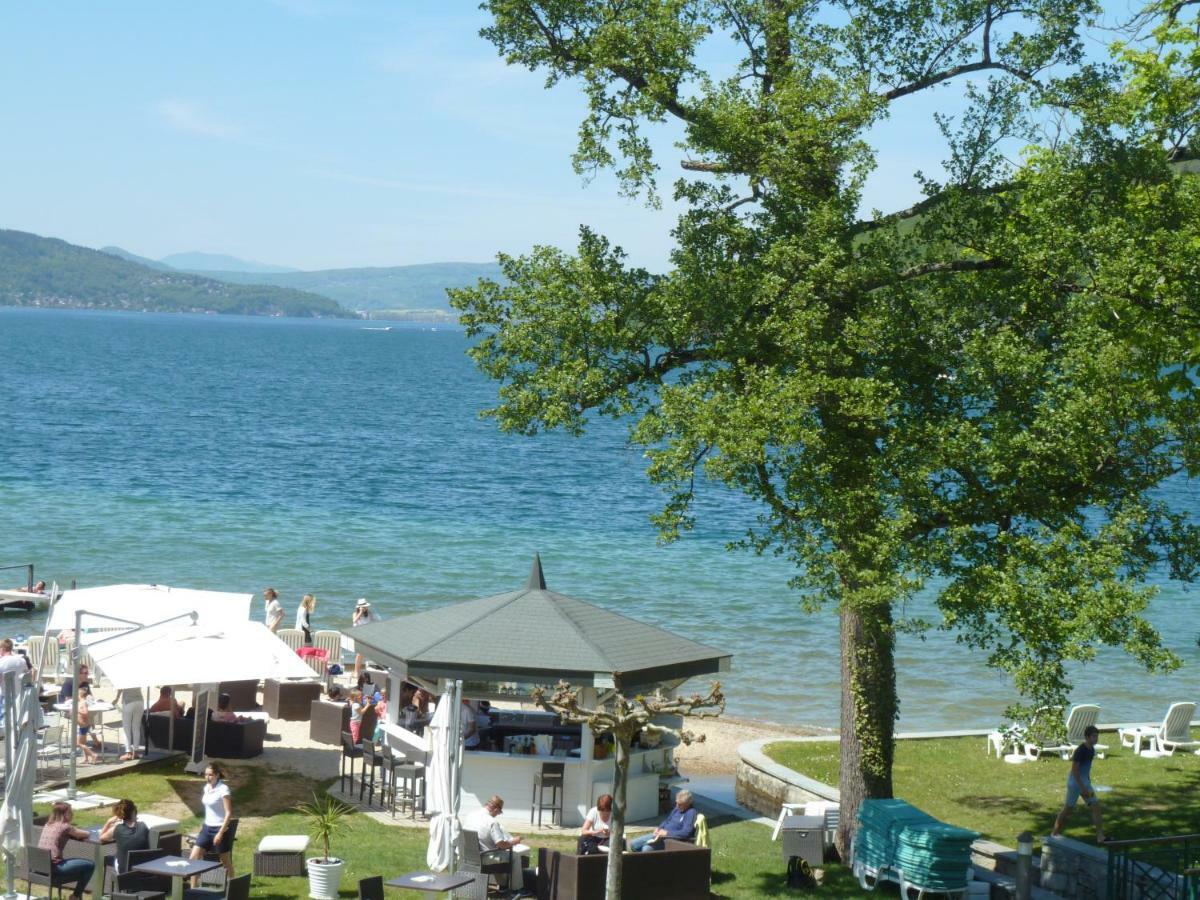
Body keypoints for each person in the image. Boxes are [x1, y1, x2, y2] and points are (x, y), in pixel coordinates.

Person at [1052, 725, 1106, 843]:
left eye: (1097, 736)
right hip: (1075, 785)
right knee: (1068, 809)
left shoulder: (1091, 750)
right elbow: (1075, 771)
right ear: (1087, 737)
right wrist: (1083, 788)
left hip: (1085, 784)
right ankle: (1054, 833)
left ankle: (1100, 836)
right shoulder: (1080, 751)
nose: (1096, 739)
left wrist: (1088, 783)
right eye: (1094, 736)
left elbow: (1086, 769)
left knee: (1096, 807)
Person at [37, 801, 95, 900]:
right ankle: (75, 896)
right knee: (90, 865)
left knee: (83, 870)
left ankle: (76, 895)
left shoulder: (48, 824)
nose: (72, 814)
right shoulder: (65, 826)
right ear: (64, 814)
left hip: (41, 866)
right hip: (55, 866)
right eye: (70, 812)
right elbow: (85, 834)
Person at [472, 796, 528, 893]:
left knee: (499, 853)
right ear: (496, 809)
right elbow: (502, 845)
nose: (497, 815)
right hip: (484, 857)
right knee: (514, 856)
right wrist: (514, 841)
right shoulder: (491, 822)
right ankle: (516, 889)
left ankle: (502, 885)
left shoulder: (472, 815)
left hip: (471, 855)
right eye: (498, 813)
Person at [190, 762, 235, 882]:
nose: (207, 777)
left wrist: (220, 833)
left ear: (217, 775)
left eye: (210, 775)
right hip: (206, 828)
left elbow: (228, 813)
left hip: (220, 829)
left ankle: (233, 887)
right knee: (194, 858)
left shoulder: (223, 789)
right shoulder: (206, 788)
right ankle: (193, 891)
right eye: (206, 775)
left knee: (225, 862)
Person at [630, 790, 698, 852]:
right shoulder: (677, 809)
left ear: (687, 804)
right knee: (633, 844)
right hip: (659, 835)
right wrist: (659, 828)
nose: (677, 806)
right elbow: (667, 820)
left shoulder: (691, 813)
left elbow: (686, 832)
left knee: (646, 849)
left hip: (671, 840)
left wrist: (667, 833)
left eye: (680, 804)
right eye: (676, 803)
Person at [99, 798, 150, 874]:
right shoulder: (143, 826)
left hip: (124, 872)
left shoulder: (117, 828)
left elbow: (101, 837)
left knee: (116, 856)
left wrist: (108, 822)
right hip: (144, 870)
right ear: (134, 812)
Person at [75, 682, 100, 764]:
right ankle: (86, 758)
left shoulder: (83, 702)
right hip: (83, 725)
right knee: (83, 743)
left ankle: (93, 755)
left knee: (78, 743)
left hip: (83, 725)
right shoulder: (80, 701)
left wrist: (77, 710)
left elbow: (85, 713)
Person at [118, 686, 145, 761]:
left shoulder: (125, 675)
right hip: (140, 701)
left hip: (128, 701)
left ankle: (128, 752)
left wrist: (117, 698)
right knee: (136, 727)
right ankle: (135, 752)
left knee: (126, 728)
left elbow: (120, 688)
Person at [351, 598, 373, 678]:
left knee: (362, 654)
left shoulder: (369, 613)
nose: (365, 608)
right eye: (363, 607)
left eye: (365, 607)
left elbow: (371, 622)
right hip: (358, 635)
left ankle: (357, 670)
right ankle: (356, 671)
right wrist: (360, 612)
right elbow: (354, 621)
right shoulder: (355, 614)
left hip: (366, 635)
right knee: (359, 653)